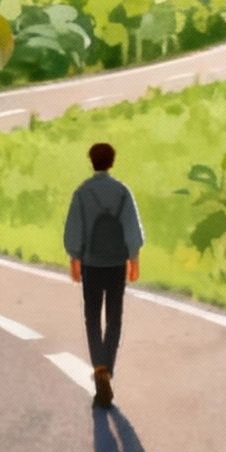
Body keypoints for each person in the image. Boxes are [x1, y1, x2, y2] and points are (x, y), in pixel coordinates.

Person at [63, 142, 142, 407]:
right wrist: (134, 259)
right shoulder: (122, 192)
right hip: (116, 263)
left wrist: (74, 257)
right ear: (112, 162)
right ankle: (108, 368)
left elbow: (74, 227)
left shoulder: (83, 193)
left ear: (91, 161)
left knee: (92, 317)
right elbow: (132, 227)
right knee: (114, 317)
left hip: (92, 264)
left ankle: (98, 366)